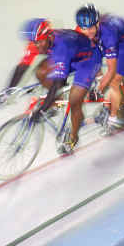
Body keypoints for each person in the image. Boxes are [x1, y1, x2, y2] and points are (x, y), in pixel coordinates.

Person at [21, 18, 102, 153]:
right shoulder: (40, 42)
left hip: (88, 61)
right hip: (72, 56)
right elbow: (21, 66)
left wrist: (42, 109)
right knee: (41, 72)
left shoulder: (62, 47)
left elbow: (57, 83)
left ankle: (73, 137)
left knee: (75, 100)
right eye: (35, 43)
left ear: (48, 36)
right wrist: (7, 90)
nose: (38, 46)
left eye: (40, 41)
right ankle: (56, 101)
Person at [75, 4, 124, 132]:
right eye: (84, 29)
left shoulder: (108, 36)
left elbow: (111, 70)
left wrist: (99, 89)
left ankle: (113, 118)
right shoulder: (81, 30)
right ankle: (107, 106)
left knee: (114, 81)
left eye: (91, 28)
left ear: (97, 23)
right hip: (108, 35)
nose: (88, 32)